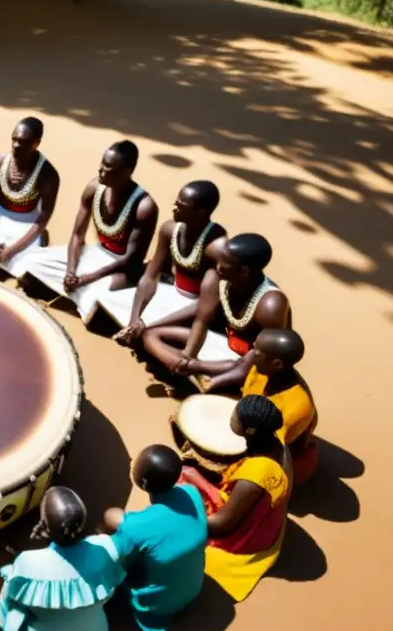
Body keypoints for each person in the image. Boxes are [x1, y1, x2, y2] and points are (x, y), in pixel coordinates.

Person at [20, 140, 159, 323]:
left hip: (120, 267)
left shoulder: (144, 207)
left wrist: (86, 279)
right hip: (95, 253)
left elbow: (130, 260)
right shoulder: (94, 188)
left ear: (127, 172)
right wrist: (71, 270)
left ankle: (85, 297)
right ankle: (77, 292)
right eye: (102, 162)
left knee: (98, 295)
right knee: (32, 261)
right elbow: (78, 235)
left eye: (108, 167)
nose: (101, 169)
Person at [0, 487, 125, 631]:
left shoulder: (27, 561)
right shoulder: (105, 548)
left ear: (44, 525)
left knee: (9, 579)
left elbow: (14, 598)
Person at [180, 395, 293, 602]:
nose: (229, 418)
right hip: (252, 505)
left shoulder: (256, 473)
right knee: (189, 472)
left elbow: (222, 524)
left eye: (233, 417)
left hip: (241, 539)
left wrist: (182, 519)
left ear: (250, 431)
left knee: (181, 487)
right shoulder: (278, 444)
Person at [141, 233, 290, 387]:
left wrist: (196, 368)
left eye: (225, 263)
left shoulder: (271, 306)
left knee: (244, 370)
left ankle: (196, 375)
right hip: (220, 346)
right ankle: (184, 368)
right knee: (151, 335)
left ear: (244, 271)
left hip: (245, 362)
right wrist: (150, 326)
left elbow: (259, 362)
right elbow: (201, 316)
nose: (218, 265)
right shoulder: (219, 279)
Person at [102, 445, 207, 631]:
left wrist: (117, 524)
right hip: (193, 590)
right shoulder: (191, 493)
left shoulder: (136, 527)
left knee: (111, 519)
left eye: (135, 466)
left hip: (158, 606)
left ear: (143, 482)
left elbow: (121, 562)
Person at [113, 181, 226, 345]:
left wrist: (146, 323)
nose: (175, 207)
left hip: (195, 308)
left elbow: (206, 304)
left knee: (153, 333)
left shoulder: (216, 247)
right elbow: (150, 276)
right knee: (114, 298)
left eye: (182, 205)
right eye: (176, 202)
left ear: (201, 212)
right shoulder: (169, 230)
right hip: (172, 292)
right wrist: (134, 319)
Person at [0, 117, 60, 276]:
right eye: (14, 140)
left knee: (33, 264)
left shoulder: (48, 175)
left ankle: (33, 246)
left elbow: (42, 220)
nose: (16, 146)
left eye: (23, 142)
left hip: (26, 228)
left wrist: (9, 252)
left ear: (36, 143)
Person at [238, 329, 319, 484]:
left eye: (256, 351)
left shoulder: (297, 406)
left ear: (277, 364)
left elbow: (269, 448)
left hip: (281, 458)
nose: (251, 353)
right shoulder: (261, 368)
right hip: (254, 434)